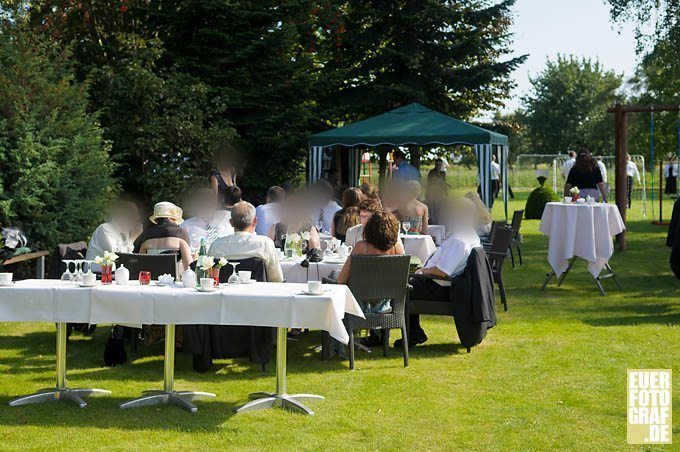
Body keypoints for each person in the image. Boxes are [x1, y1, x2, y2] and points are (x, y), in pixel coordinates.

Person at [397, 197, 481, 347]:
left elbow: (442, 272)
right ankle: (414, 332)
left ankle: (412, 334)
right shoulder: (468, 234)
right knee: (408, 282)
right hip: (445, 284)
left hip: (443, 288)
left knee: (400, 288)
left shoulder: (459, 240)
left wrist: (423, 271)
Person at [336, 210, 404, 314]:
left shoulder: (361, 247)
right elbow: (401, 281)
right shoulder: (397, 248)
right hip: (384, 306)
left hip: (358, 306)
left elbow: (341, 280)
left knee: (334, 275)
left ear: (369, 228)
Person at [209, 201, 284, 282]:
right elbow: (277, 280)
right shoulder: (265, 244)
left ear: (231, 222)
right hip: (257, 293)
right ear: (255, 221)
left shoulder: (216, 245)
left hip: (225, 294)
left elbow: (208, 277)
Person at [134, 202, 192, 272]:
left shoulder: (147, 234)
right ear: (173, 218)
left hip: (151, 280)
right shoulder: (180, 234)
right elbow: (188, 267)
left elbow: (141, 264)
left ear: (156, 219)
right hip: (172, 281)